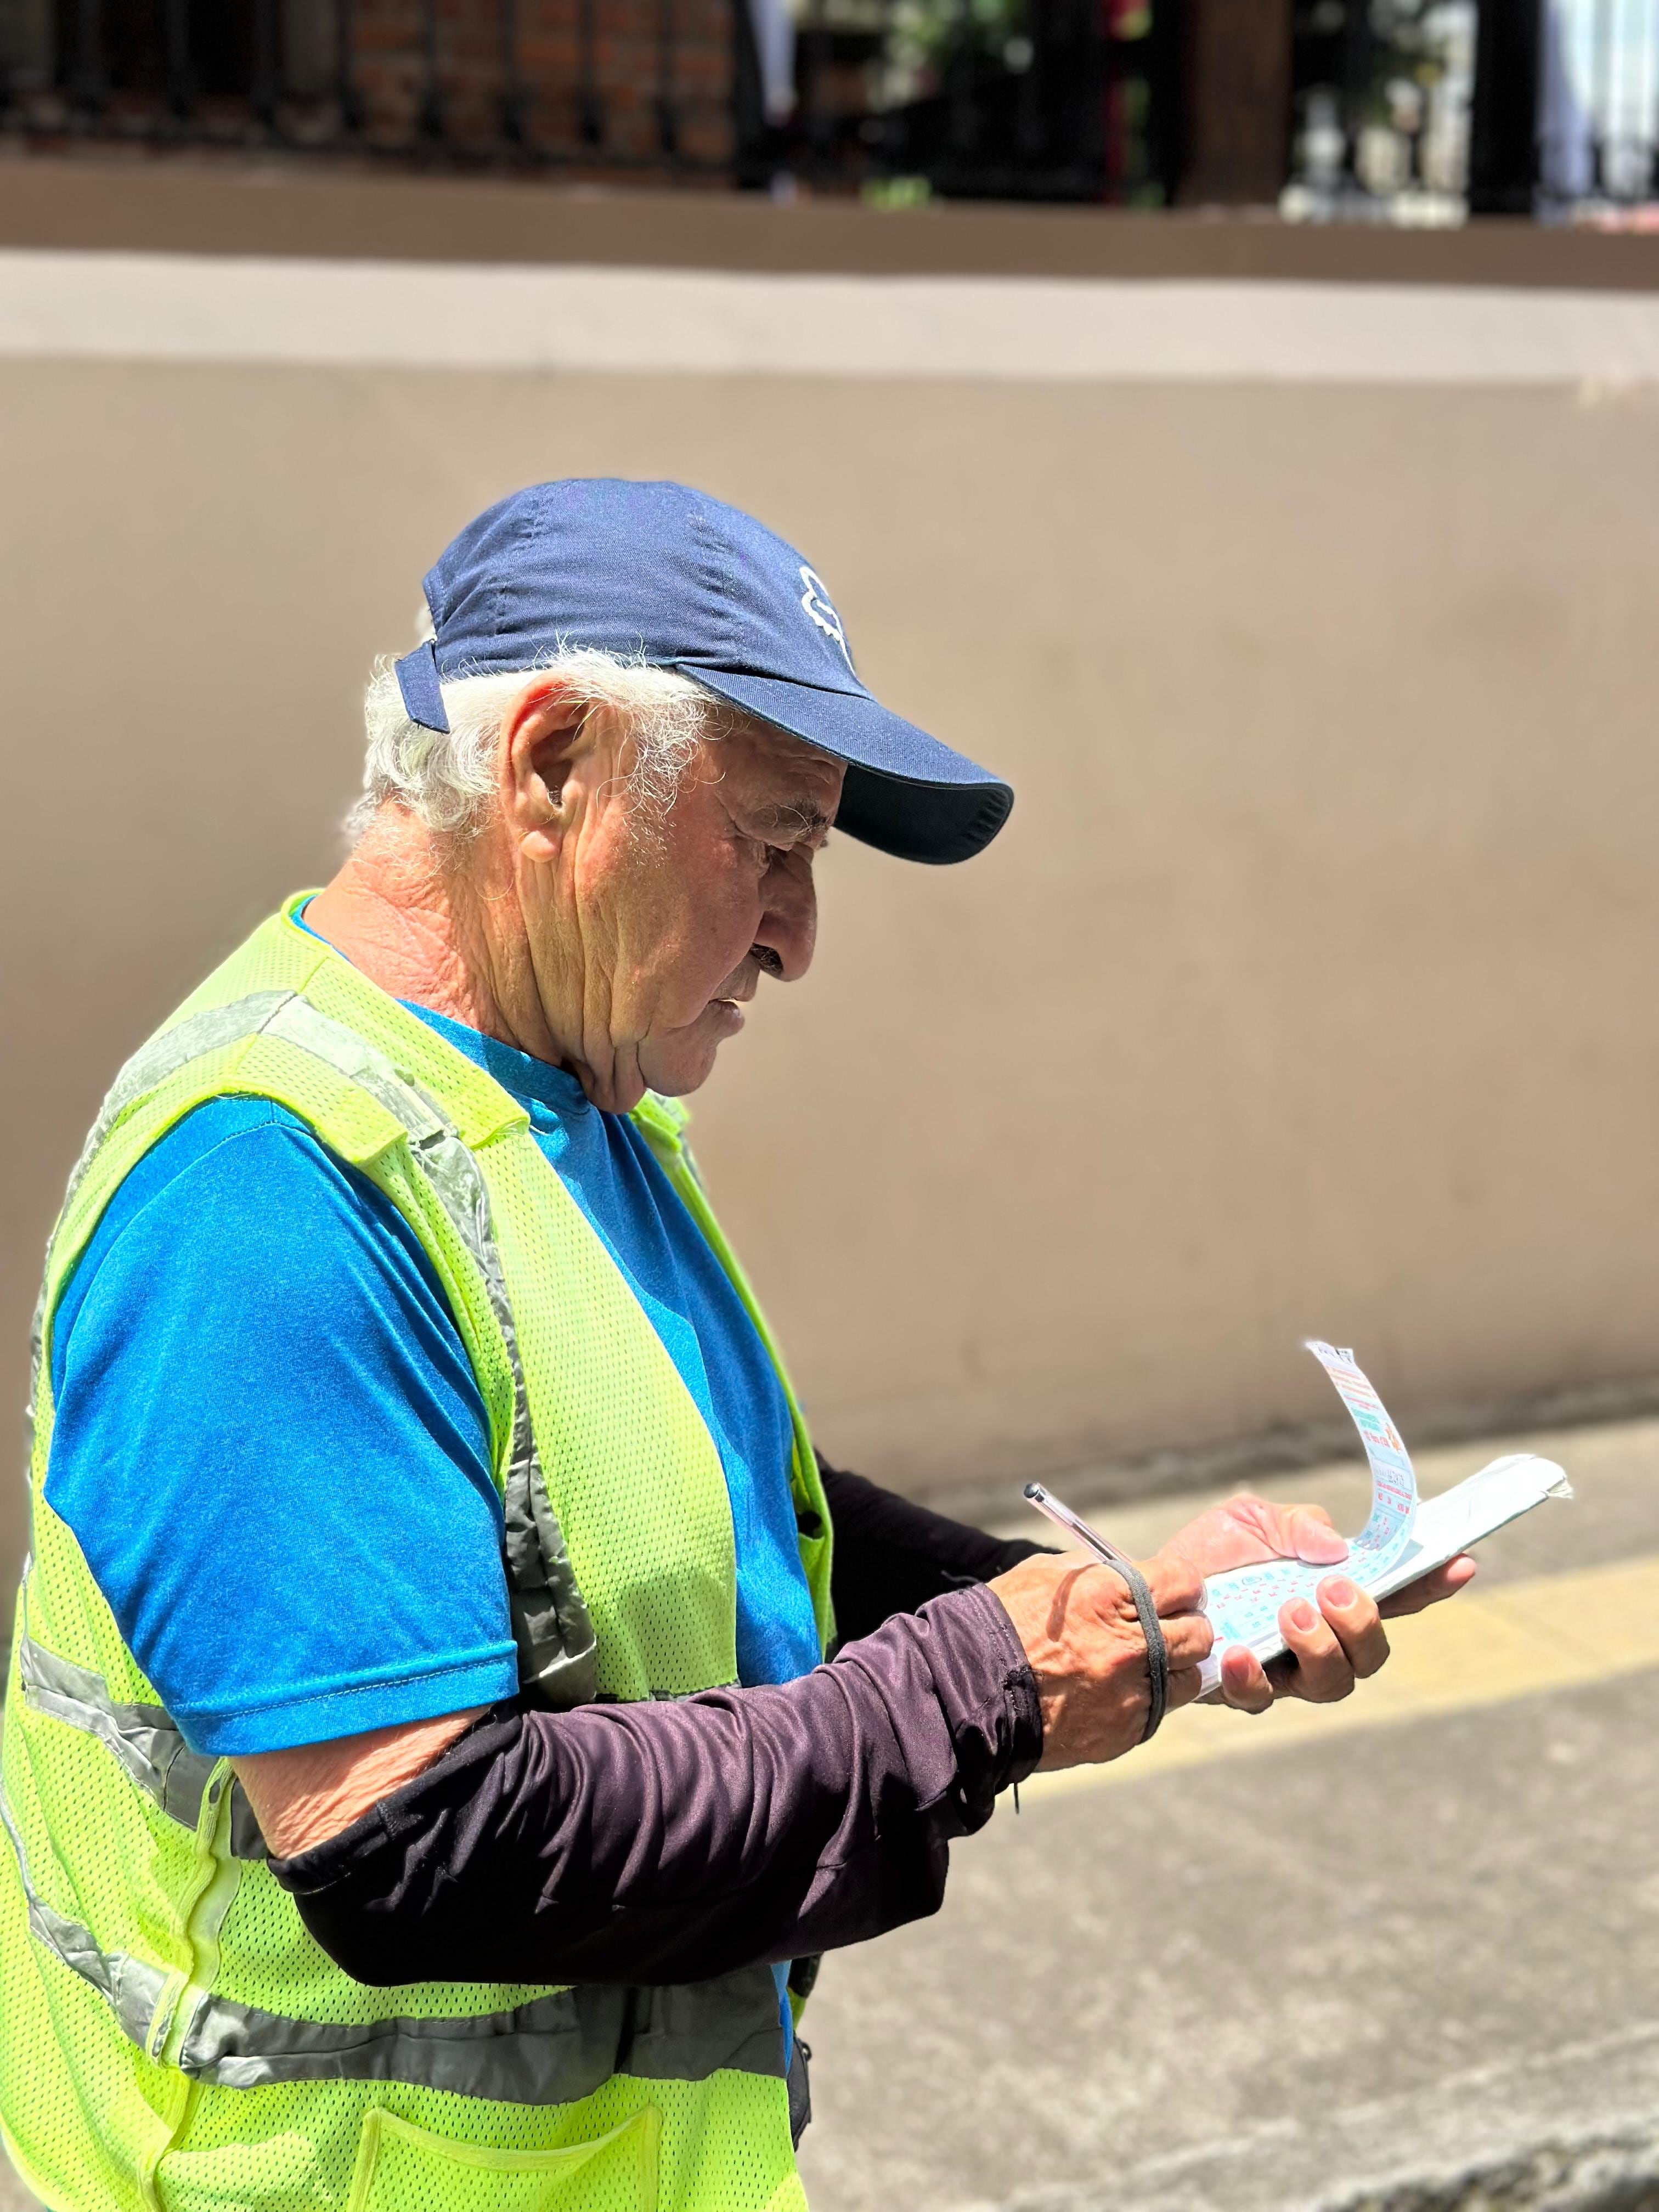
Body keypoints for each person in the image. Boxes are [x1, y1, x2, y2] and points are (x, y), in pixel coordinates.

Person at [0, 479, 1473, 2212]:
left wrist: (1103, 1610)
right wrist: (983, 1691)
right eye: (772, 842)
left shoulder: (570, 1092)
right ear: (549, 767)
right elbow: (420, 1843)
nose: (800, 930)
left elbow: (674, 1527)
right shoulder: (266, 1192)